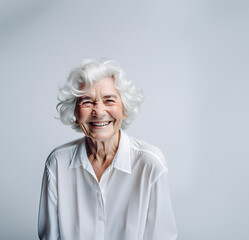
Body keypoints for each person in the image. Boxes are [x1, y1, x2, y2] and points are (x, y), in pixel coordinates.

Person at [38, 59, 177, 240]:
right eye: (87, 101)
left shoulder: (150, 164)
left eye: (109, 100)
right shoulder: (57, 163)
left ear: (124, 108)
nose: (99, 111)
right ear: (75, 112)